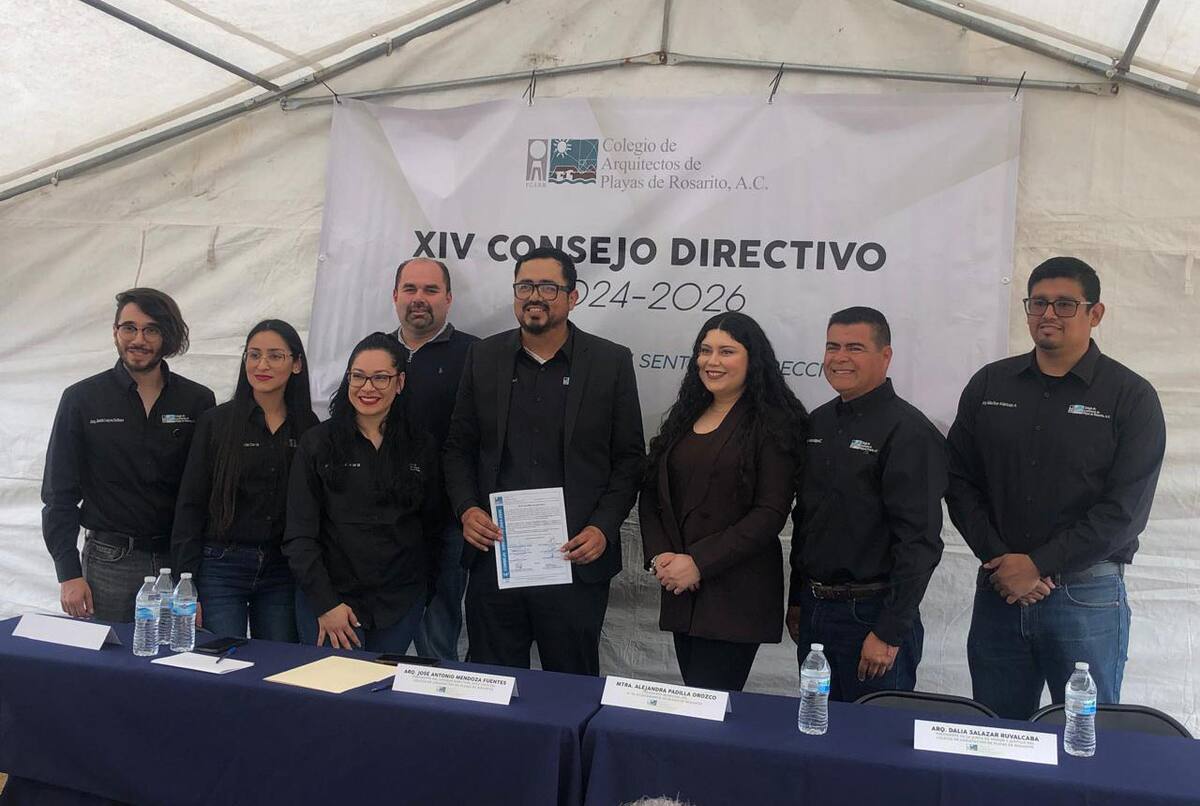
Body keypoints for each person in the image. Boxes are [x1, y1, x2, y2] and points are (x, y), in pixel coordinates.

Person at [947, 257, 1165, 719]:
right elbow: (959, 480)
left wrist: (1038, 565)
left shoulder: (1131, 396)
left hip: (1085, 596)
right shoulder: (990, 383)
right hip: (999, 591)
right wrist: (1003, 562)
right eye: (1039, 303)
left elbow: (1124, 510)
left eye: (1065, 304)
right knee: (997, 736)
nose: (1049, 314)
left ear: (1095, 313)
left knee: (1087, 741)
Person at [443, 246, 645, 675]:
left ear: (573, 297)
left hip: (574, 561)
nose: (535, 296)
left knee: (570, 691)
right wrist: (467, 508)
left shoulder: (611, 362)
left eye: (548, 287)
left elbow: (629, 459)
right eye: (525, 286)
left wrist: (602, 528)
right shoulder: (483, 357)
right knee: (492, 688)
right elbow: (458, 447)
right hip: (497, 558)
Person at [640, 312, 806, 692]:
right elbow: (652, 492)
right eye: (705, 350)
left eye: (726, 351)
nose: (712, 361)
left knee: (712, 708)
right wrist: (660, 557)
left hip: (735, 596)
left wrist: (699, 562)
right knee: (696, 705)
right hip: (680, 590)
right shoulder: (686, 415)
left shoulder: (773, 423)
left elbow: (769, 514)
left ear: (753, 359)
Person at [788, 307, 946, 703]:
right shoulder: (818, 423)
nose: (839, 357)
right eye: (832, 346)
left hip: (872, 615)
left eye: (854, 347)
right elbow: (805, 519)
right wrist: (796, 600)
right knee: (817, 733)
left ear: (886, 356)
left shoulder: (909, 431)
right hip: (815, 610)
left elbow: (920, 542)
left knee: (871, 747)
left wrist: (889, 631)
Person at [41, 288, 215, 623]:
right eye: (129, 328)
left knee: (174, 667)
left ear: (168, 335)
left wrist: (189, 575)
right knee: (107, 667)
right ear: (115, 332)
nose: (139, 339)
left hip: (177, 564)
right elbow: (58, 494)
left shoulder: (197, 401)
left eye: (152, 329)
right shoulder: (81, 399)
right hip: (109, 563)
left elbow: (201, 494)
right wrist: (68, 574)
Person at [283, 332, 441, 651]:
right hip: (331, 606)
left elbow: (433, 527)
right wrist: (326, 605)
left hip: (399, 606)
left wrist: (421, 594)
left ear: (400, 383)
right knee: (334, 698)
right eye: (358, 376)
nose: (367, 387)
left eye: (380, 378)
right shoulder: (317, 444)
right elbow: (299, 536)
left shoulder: (421, 446)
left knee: (380, 696)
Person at [172, 320, 318, 641]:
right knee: (219, 665)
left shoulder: (309, 427)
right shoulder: (216, 423)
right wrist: (186, 583)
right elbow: (190, 504)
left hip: (282, 570)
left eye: (275, 356)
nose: (261, 365)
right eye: (254, 355)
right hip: (221, 567)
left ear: (296, 364)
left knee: (278, 667)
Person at [390, 257, 478, 660]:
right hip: (380, 521)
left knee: (438, 635)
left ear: (448, 298)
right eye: (410, 289)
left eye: (430, 290)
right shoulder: (375, 351)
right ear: (395, 297)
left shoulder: (475, 355)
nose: (419, 299)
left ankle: (440, 708)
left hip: (447, 519)